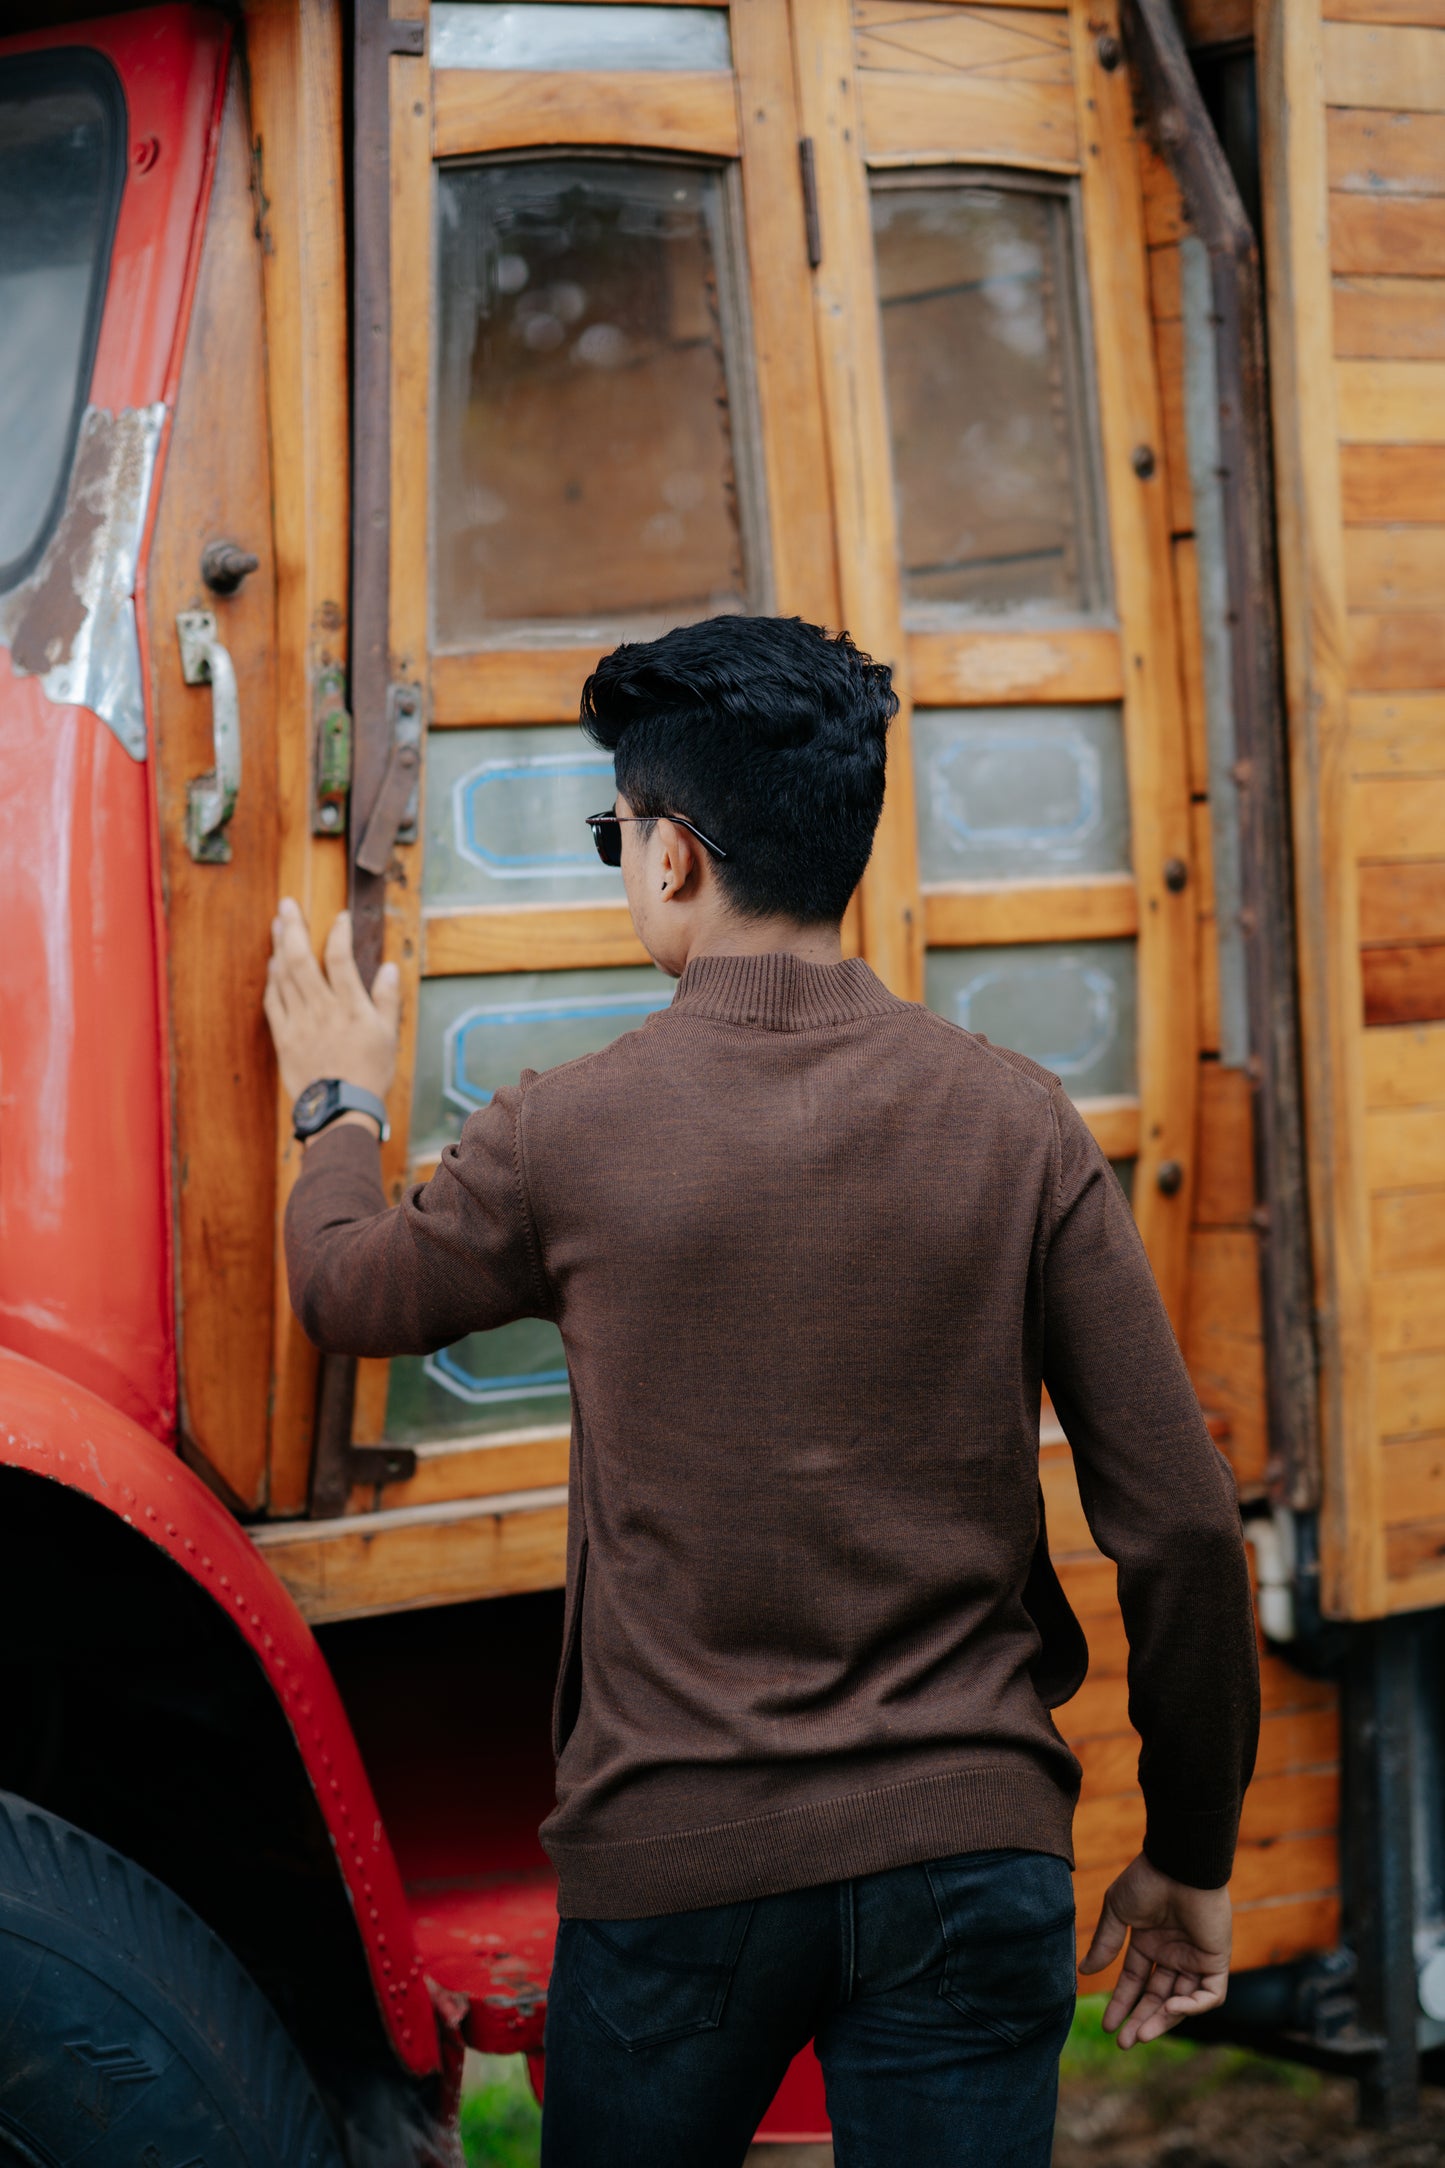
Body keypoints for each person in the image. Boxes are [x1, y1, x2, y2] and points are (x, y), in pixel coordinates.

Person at [265, 615, 1259, 2168]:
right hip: (968, 1850)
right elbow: (1186, 1530)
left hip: (673, 1872)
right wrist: (1190, 1856)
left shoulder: (564, 1135)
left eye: (617, 829)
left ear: (672, 858)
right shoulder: (1020, 1125)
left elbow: (347, 1291)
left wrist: (335, 1102)